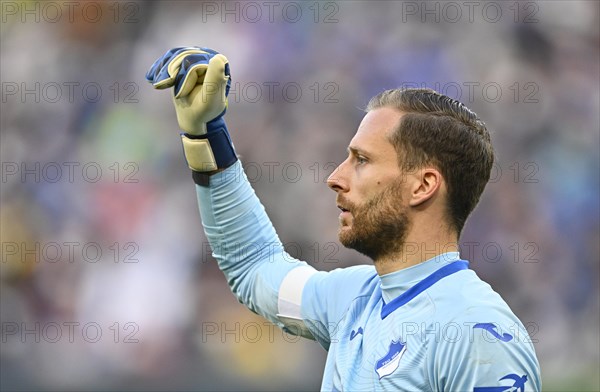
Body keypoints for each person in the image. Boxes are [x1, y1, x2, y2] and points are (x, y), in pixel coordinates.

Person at [146, 47, 541, 391]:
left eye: (362, 161)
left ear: (423, 186)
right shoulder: (353, 298)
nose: (335, 178)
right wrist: (205, 134)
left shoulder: (480, 333)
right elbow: (254, 267)